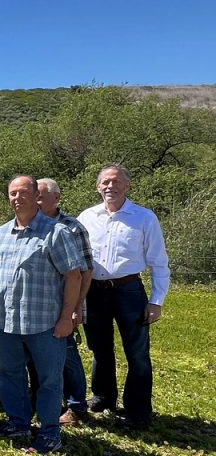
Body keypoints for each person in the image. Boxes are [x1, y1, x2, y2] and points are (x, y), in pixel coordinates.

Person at [0, 175, 86, 454]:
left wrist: (68, 316)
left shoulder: (56, 232)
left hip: (45, 323)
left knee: (49, 380)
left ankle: (50, 433)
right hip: (7, 322)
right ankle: (18, 422)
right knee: (9, 375)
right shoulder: (0, 234)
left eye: (23, 193)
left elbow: (74, 276)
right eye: (12, 193)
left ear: (35, 195)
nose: (17, 198)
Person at [77, 164, 170, 429]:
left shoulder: (144, 218)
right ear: (98, 187)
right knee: (99, 348)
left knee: (137, 353)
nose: (110, 186)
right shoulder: (87, 217)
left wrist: (156, 301)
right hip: (94, 291)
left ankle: (138, 410)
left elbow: (159, 262)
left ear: (127, 186)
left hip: (129, 291)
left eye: (116, 182)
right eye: (105, 182)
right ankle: (104, 397)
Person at [34, 178, 93, 424]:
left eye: (39, 195)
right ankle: (47, 402)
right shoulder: (31, 225)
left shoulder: (71, 227)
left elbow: (85, 270)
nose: (34, 200)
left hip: (63, 304)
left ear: (56, 198)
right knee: (38, 356)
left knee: (67, 354)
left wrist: (76, 307)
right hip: (38, 305)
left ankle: (77, 406)